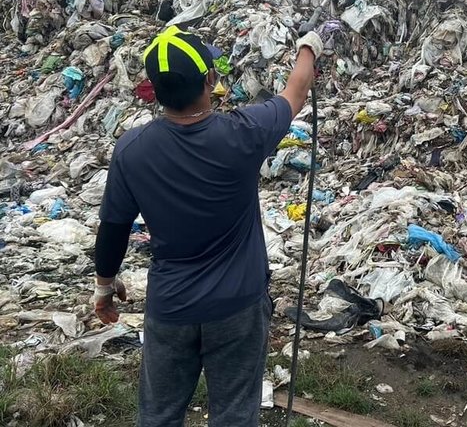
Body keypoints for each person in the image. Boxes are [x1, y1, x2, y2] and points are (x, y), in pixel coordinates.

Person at [93, 24, 324, 427]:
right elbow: (296, 93)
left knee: (159, 417)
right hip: (237, 308)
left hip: (171, 309)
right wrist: (310, 45)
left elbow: (113, 226)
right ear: (209, 81)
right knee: (235, 416)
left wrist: (104, 288)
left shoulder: (132, 149)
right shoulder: (244, 132)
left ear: (154, 89)